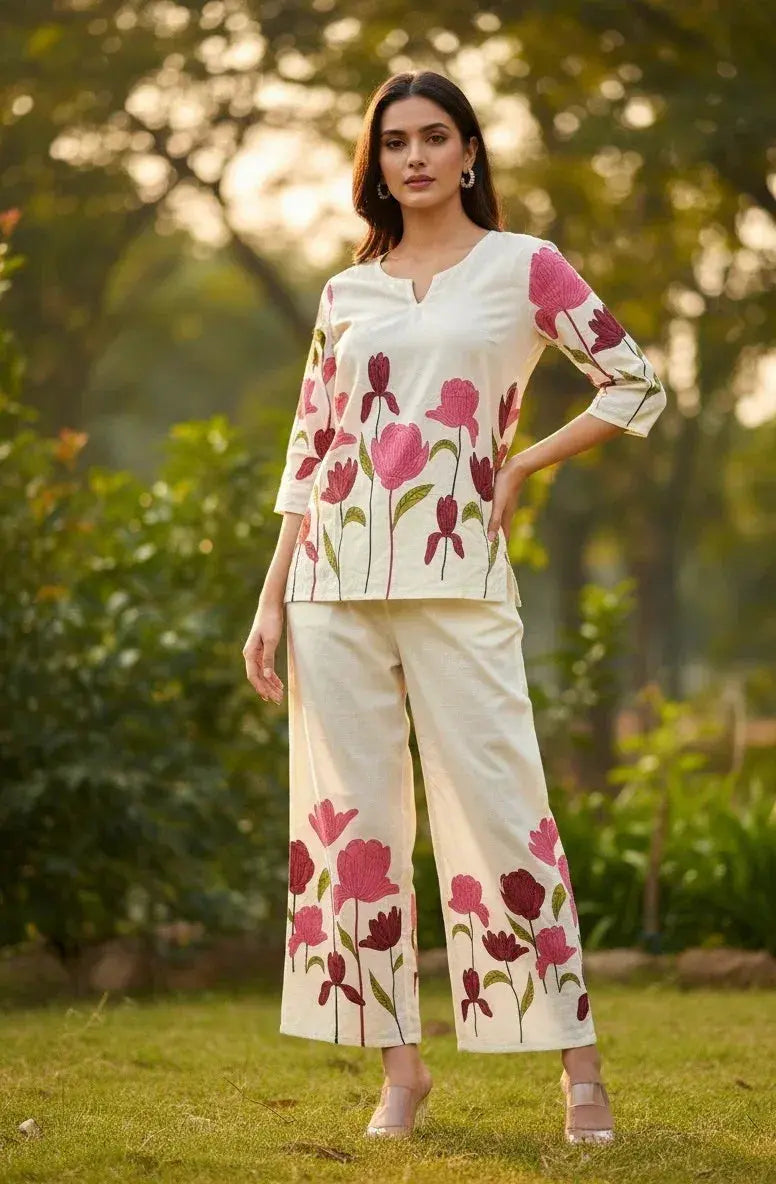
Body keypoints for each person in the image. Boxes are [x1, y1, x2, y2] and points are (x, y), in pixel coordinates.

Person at [242, 69, 667, 1145]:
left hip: (459, 581)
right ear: (375, 161)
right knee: (356, 833)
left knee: (502, 811)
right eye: (395, 142)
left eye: (436, 137)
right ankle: (400, 1072)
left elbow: (632, 381)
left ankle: (577, 1067)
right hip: (331, 585)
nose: (416, 157)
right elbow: (310, 444)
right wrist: (270, 596)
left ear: (469, 151)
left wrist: (522, 461)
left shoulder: (524, 267)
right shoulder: (347, 291)